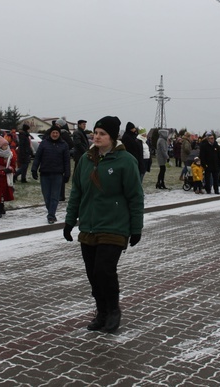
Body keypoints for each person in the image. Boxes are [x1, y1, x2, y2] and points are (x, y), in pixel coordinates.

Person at [63, 116, 144, 333]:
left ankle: (113, 310)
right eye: (95, 133)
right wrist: (70, 221)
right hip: (89, 225)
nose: (96, 137)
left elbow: (135, 196)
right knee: (92, 272)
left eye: (102, 134)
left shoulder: (126, 161)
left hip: (115, 226)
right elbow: (77, 193)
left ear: (112, 137)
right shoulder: (85, 160)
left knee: (104, 270)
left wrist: (136, 228)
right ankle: (101, 311)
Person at [31, 123, 71, 223]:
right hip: (45, 173)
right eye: (53, 132)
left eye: (57, 132)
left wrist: (67, 174)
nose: (55, 134)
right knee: (47, 196)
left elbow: (67, 161)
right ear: (50, 133)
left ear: (59, 134)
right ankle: (51, 212)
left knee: (55, 196)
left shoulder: (64, 145)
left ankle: (51, 215)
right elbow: (37, 158)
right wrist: (34, 169)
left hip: (57, 174)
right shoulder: (44, 143)